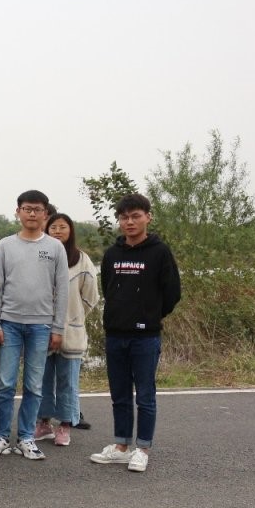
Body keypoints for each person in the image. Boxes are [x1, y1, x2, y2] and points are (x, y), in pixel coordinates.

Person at [90, 193, 180, 472]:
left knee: (145, 395)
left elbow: (172, 293)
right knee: (119, 395)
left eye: (135, 216)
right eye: (124, 217)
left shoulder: (159, 252)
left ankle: (142, 448)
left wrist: (149, 315)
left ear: (147, 217)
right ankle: (121, 446)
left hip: (145, 337)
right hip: (115, 334)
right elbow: (108, 288)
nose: (129, 222)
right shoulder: (112, 254)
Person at [0, 190, 68, 460]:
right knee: (5, 383)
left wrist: (58, 328)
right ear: (17, 211)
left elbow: (62, 290)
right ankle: (0, 435)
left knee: (34, 385)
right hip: (9, 323)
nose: (32, 214)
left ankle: (26, 437)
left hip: (41, 326)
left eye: (37, 209)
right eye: (27, 209)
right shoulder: (5, 245)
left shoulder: (55, 247)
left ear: (46, 214)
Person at [34, 213, 100, 446]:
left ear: (70, 231)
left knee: (68, 381)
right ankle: (43, 423)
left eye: (63, 227)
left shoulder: (81, 259)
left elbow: (91, 296)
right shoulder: (40, 256)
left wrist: (74, 316)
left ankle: (65, 425)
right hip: (41, 328)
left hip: (71, 331)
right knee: (41, 379)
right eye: (53, 227)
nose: (58, 231)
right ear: (46, 230)